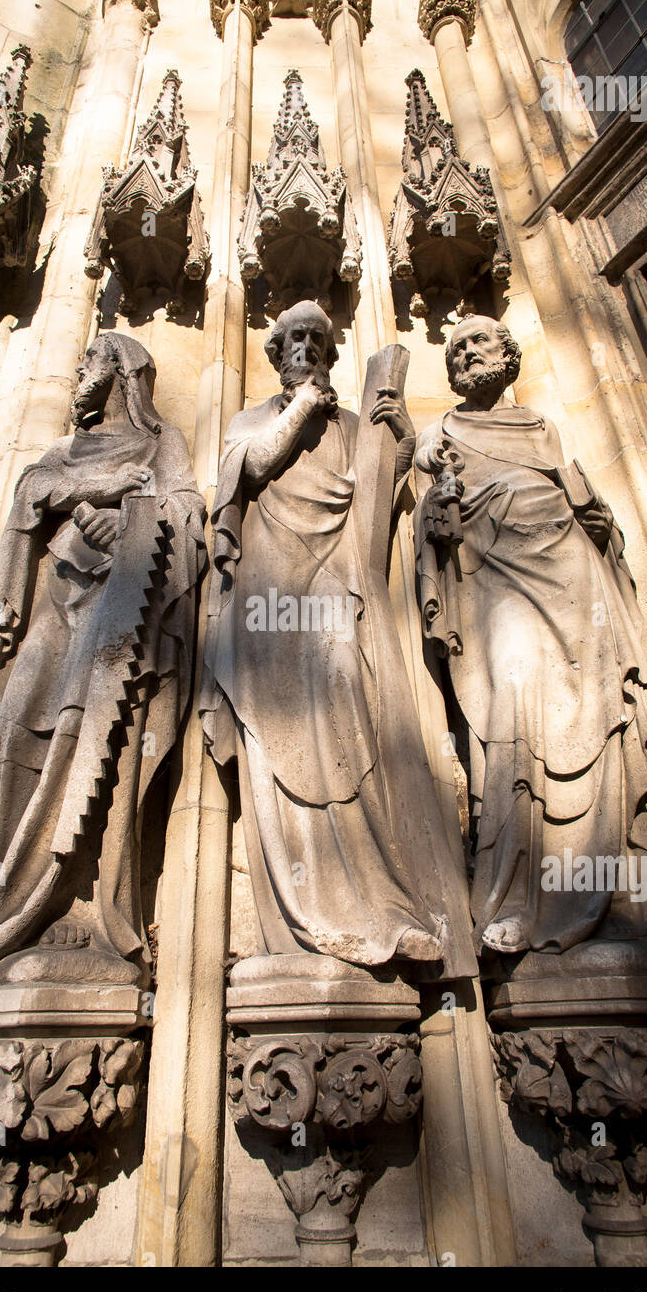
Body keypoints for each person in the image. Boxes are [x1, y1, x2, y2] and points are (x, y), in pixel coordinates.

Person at [0, 333, 206, 985]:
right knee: (17, 730)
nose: (79, 370)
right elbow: (32, 494)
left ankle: (84, 914)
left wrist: (138, 518)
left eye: (91, 360)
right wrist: (94, 488)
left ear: (124, 372)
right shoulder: (60, 452)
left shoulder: (161, 443)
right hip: (55, 613)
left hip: (117, 619)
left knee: (99, 743)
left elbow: (189, 513)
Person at [201, 300, 475, 975]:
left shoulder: (349, 427)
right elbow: (251, 468)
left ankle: (373, 900)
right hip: (268, 599)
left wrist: (399, 442)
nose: (307, 349)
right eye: (294, 340)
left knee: (351, 718)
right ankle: (303, 916)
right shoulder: (253, 419)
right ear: (275, 354)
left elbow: (375, 510)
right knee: (279, 738)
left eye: (318, 340)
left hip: (334, 587)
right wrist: (301, 408)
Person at [415, 314, 647, 956]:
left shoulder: (543, 427)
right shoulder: (440, 432)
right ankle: (516, 898)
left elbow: (580, 499)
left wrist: (602, 525)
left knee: (598, 718)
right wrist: (436, 510)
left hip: (572, 573)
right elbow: (431, 515)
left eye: (480, 342)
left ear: (508, 354)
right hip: (496, 579)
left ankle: (608, 897)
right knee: (515, 709)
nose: (468, 353)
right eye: (458, 346)